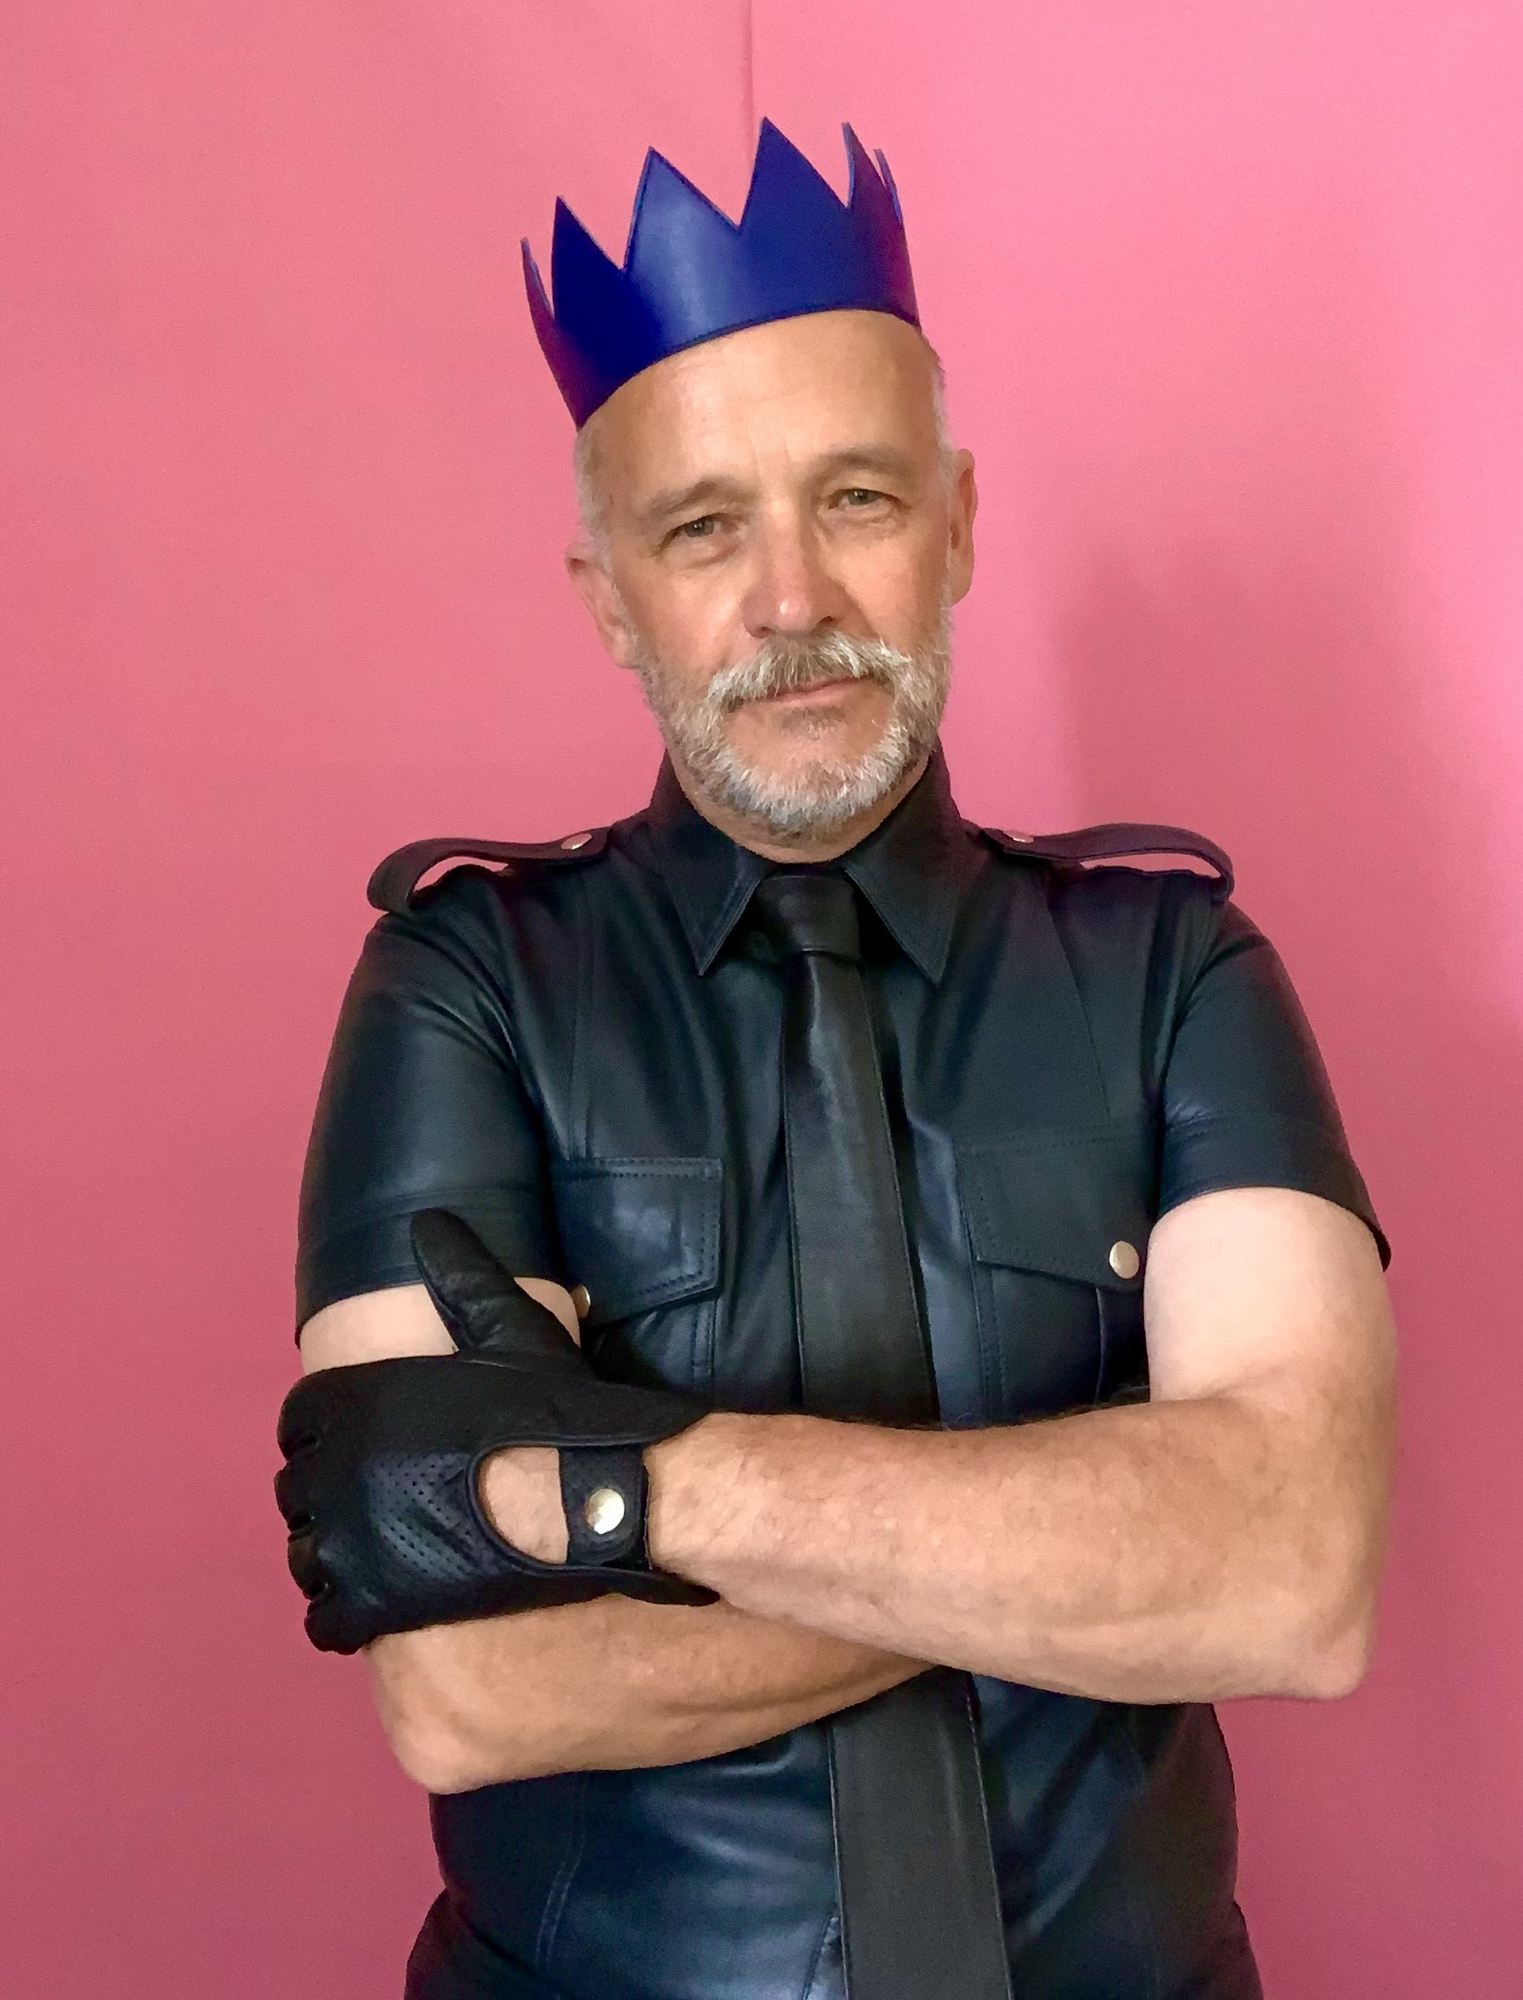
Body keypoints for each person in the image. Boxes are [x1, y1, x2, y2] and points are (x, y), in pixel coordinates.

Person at [275, 122, 1396, 2000]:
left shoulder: (1176, 970)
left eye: (856, 499)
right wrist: (1100, 1538)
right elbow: (471, 1681)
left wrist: (630, 1495)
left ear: (955, 525)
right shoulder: (459, 987)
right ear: (609, 594)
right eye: (703, 527)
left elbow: (1295, 1574)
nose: (792, 599)